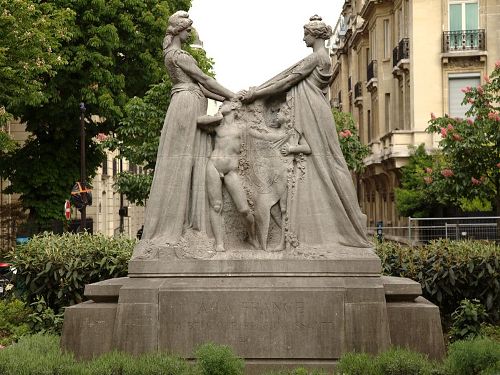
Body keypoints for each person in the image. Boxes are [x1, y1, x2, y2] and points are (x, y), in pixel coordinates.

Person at [241, 15, 371, 249]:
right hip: (314, 110)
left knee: (330, 163)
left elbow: (285, 82)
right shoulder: (320, 58)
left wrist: (255, 94)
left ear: (315, 34)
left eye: (306, 33)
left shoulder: (317, 58)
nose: (303, 37)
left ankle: (349, 221)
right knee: (326, 164)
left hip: (312, 112)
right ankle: (327, 226)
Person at [133, 11, 236, 258]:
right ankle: (177, 227)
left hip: (189, 101)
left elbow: (203, 87)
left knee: (191, 161)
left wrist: (229, 99)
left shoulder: (173, 55)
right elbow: (205, 79)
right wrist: (232, 95)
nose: (190, 33)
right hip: (187, 104)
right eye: (188, 29)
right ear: (179, 30)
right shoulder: (179, 56)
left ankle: (189, 222)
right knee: (184, 161)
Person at [198, 100, 259, 252]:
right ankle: (219, 243)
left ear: (233, 106)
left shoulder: (242, 127)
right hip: (213, 165)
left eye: (223, 103)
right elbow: (199, 121)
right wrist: (217, 116)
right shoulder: (217, 126)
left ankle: (252, 237)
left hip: (232, 170)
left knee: (244, 209)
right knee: (216, 206)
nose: (220, 105)